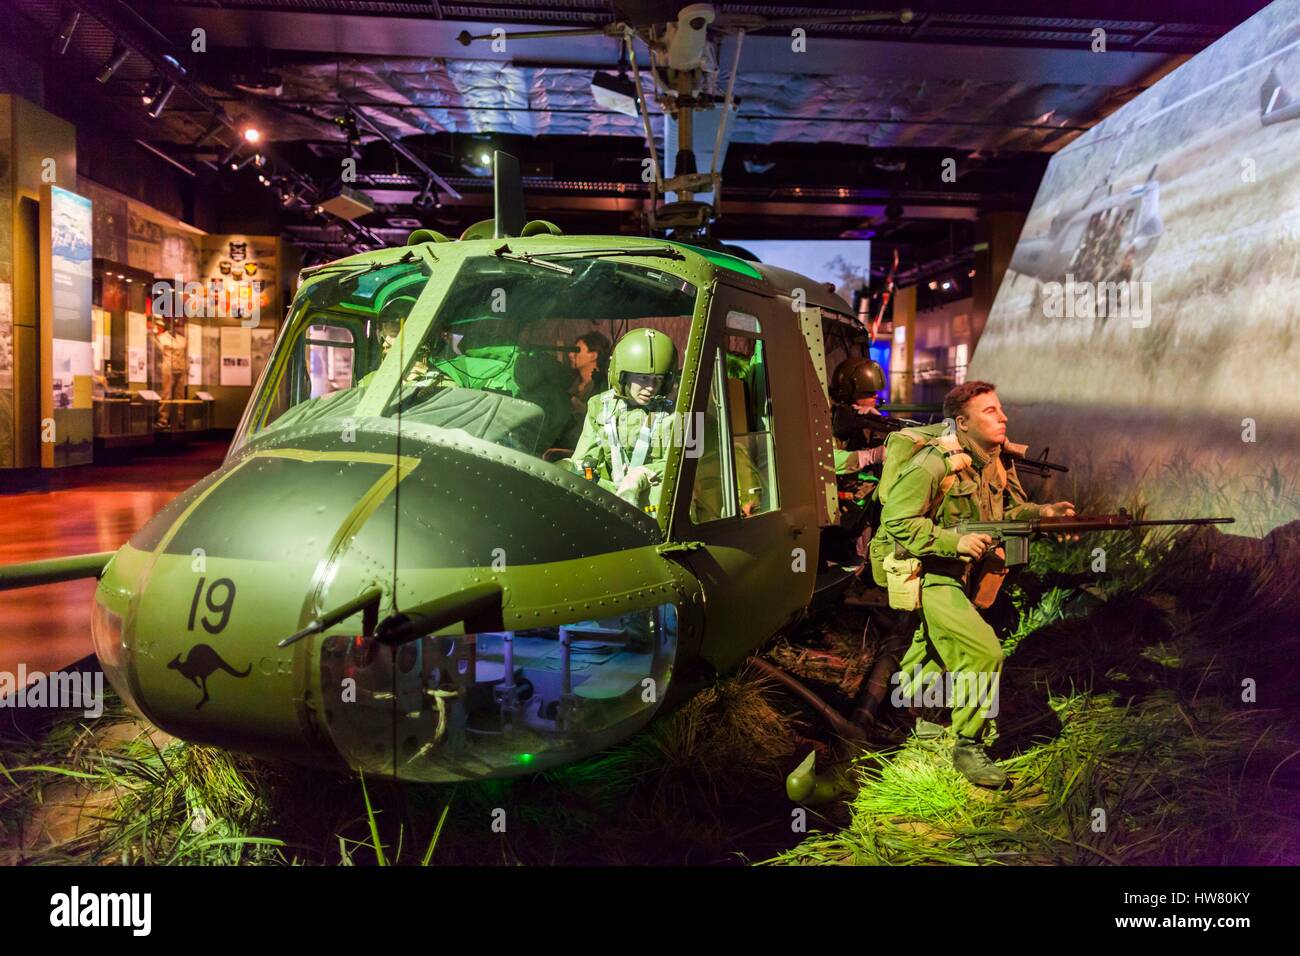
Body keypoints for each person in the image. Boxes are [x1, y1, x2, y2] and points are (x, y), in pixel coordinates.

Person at [879, 380, 1075, 787]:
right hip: (929, 569)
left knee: (933, 642)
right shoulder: (935, 461)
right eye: (990, 412)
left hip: (966, 568)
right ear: (962, 423)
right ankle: (969, 744)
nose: (1002, 417)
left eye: (1000, 409)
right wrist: (955, 541)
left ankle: (926, 716)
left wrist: (1046, 513)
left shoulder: (996, 459)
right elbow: (896, 520)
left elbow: (1012, 509)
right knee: (984, 652)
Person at [566, 327, 677, 510]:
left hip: (659, 505)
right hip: (610, 500)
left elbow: (688, 467)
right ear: (622, 375)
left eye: (658, 379)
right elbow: (584, 457)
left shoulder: (683, 413)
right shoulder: (599, 406)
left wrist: (641, 475)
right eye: (642, 378)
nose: (650, 387)